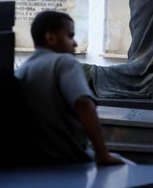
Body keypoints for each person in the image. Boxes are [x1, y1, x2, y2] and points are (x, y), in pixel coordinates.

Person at [15, 10, 125, 166]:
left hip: (34, 161)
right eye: (70, 36)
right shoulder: (64, 62)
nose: (75, 43)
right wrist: (102, 154)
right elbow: (83, 103)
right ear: (50, 38)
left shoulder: (22, 70)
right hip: (70, 159)